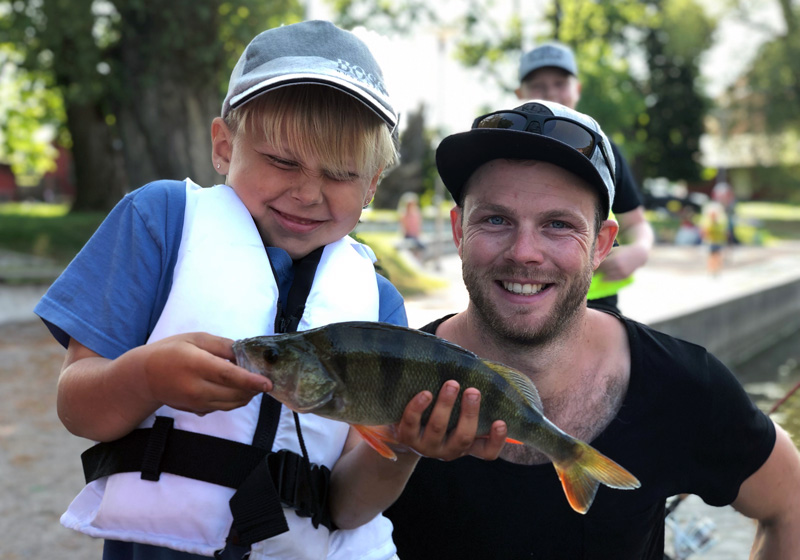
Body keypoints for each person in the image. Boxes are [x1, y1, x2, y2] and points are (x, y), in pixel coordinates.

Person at [34, 20, 504, 560]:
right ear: (223, 146)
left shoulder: (377, 304)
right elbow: (78, 409)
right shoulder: (157, 222)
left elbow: (346, 508)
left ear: (372, 186)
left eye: (342, 173)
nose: (307, 193)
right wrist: (145, 377)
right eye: (282, 160)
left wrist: (399, 445)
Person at [384, 99, 800, 558]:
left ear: (601, 245)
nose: (524, 252)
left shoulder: (682, 382)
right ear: (460, 231)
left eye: (559, 225)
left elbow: (790, 503)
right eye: (496, 219)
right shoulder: (382, 378)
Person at [515, 41, 654, 315]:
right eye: (539, 85)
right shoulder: (503, 150)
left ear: (576, 89)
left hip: (597, 305)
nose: (551, 92)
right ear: (521, 93)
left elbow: (636, 223)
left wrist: (640, 251)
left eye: (560, 82)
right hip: (523, 297)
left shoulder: (605, 151)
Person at [397, 191, 426, 260]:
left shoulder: (417, 213)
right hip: (408, 236)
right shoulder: (403, 214)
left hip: (415, 236)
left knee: (422, 247)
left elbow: (419, 226)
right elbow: (403, 227)